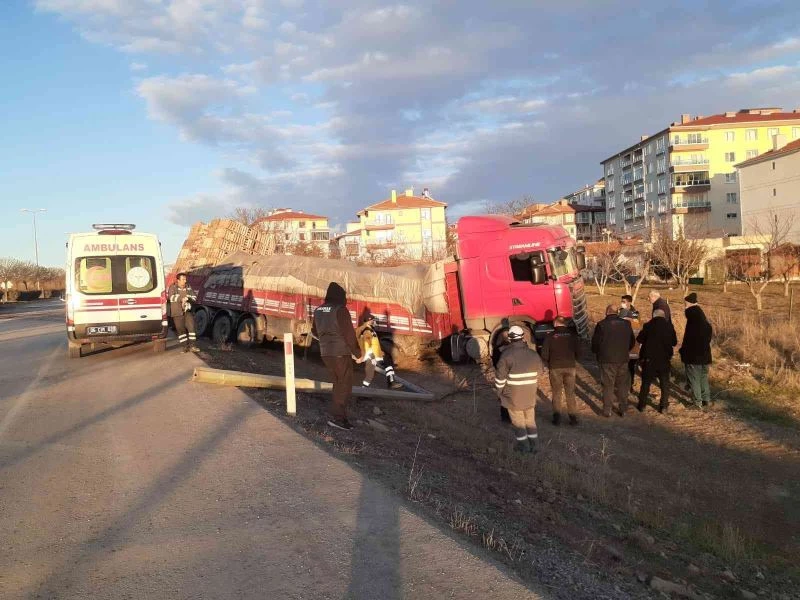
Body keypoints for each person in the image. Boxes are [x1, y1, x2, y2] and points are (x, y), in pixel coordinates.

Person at [312, 282, 362, 430]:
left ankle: (339, 416)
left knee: (337, 383)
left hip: (326, 353)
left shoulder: (318, 310)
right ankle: (338, 419)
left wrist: (327, 340)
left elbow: (315, 332)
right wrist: (357, 353)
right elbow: (349, 335)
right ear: (340, 296)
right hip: (341, 353)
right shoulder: (340, 310)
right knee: (344, 385)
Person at [494, 325, 543, 453]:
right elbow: (540, 372)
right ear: (522, 337)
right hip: (530, 395)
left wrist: (499, 393)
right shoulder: (533, 354)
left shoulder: (506, 355)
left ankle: (524, 447)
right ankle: (535, 446)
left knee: (518, 423)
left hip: (513, 397)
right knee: (530, 421)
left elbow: (500, 379)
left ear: (510, 339)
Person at [591, 304, 635, 417]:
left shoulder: (601, 325)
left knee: (608, 385)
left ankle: (607, 410)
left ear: (607, 311)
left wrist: (597, 353)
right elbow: (632, 342)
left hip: (606, 360)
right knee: (622, 385)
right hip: (623, 359)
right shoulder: (626, 324)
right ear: (617, 312)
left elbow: (595, 343)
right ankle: (623, 409)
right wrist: (625, 350)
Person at [636, 308, 677, 413]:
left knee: (646, 383)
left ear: (653, 316)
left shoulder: (648, 325)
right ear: (663, 316)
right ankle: (663, 406)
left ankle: (642, 405)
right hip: (664, 359)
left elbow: (639, 339)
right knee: (664, 384)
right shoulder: (669, 326)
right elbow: (674, 342)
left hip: (649, 359)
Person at [541, 316, 580, 426]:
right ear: (565, 324)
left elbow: (544, 354)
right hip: (570, 366)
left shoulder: (550, 336)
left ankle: (557, 418)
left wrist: (549, 362)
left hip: (555, 368)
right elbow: (579, 351)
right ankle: (573, 418)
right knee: (570, 393)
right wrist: (574, 360)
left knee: (557, 393)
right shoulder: (573, 336)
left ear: (555, 324)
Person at [679, 292, 713, 408]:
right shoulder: (704, 322)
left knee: (694, 379)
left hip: (693, 356)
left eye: (685, 304)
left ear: (689, 304)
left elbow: (689, 341)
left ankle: (697, 402)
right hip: (705, 354)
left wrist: (683, 351)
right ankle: (706, 399)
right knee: (703, 377)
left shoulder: (692, 320)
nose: (684, 306)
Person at [355, 314, 402, 390]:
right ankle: (362, 392)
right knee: (370, 375)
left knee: (387, 362)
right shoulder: (367, 330)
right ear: (369, 321)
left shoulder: (368, 329)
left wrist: (380, 352)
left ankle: (391, 382)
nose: (374, 322)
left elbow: (373, 343)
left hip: (375, 354)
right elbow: (367, 343)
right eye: (373, 320)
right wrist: (368, 355)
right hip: (372, 355)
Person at [168, 273, 199, 353]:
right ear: (178, 280)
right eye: (183, 279)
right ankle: (185, 347)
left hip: (188, 312)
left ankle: (193, 346)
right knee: (181, 331)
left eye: (185, 279)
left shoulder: (188, 287)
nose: (185, 281)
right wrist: (182, 299)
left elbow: (194, 297)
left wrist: (188, 298)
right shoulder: (173, 287)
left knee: (191, 328)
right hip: (177, 313)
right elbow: (171, 297)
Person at [619, 294, 641, 391]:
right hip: (621, 343)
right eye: (622, 301)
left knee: (631, 366)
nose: (622, 303)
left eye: (624, 302)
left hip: (633, 344)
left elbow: (637, 325)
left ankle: (630, 385)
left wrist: (629, 320)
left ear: (629, 302)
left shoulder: (635, 313)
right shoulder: (620, 312)